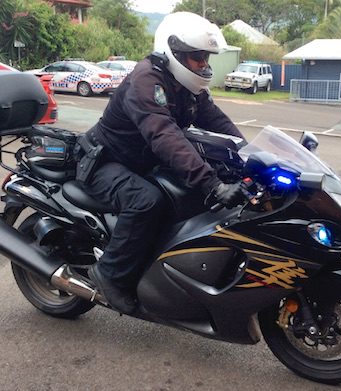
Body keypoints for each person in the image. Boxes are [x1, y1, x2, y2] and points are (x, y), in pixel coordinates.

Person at [83, 12, 246, 314]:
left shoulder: (187, 85)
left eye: (206, 57)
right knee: (147, 202)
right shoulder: (147, 80)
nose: (204, 64)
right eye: (198, 57)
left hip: (141, 162)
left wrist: (248, 154)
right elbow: (163, 135)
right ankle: (110, 276)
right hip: (106, 161)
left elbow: (216, 119)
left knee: (188, 198)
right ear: (176, 52)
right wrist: (212, 182)